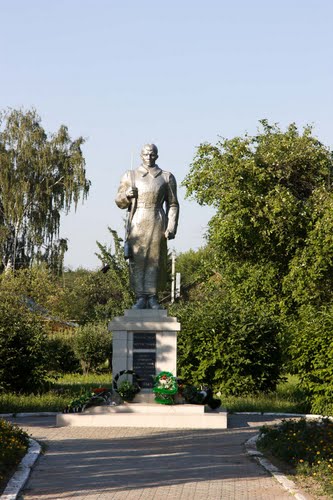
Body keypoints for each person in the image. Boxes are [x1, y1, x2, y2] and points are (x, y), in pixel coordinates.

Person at [115, 144, 179, 309]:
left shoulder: (166, 177)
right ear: (141, 155)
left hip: (157, 220)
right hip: (137, 221)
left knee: (155, 260)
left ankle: (152, 296)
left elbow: (173, 204)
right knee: (138, 260)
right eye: (146, 154)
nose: (149, 157)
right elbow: (119, 201)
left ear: (157, 155)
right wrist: (126, 195)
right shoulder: (130, 176)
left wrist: (171, 226)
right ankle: (140, 297)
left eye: (152, 154)